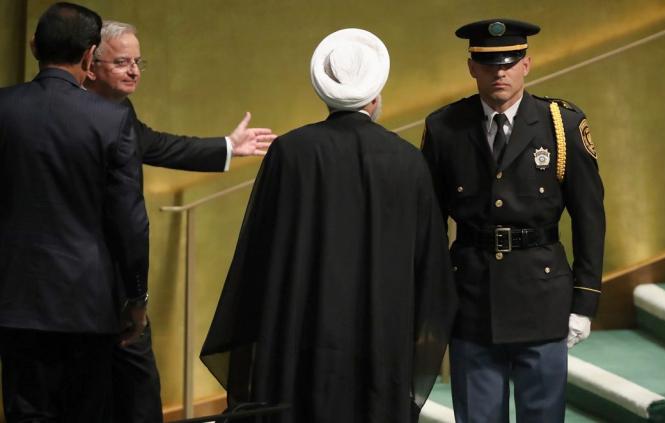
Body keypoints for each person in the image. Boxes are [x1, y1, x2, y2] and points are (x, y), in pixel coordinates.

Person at [201, 28, 457, 423]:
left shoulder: (290, 152)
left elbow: (259, 251)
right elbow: (429, 264)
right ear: (375, 96)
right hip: (380, 338)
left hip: (299, 335)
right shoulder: (407, 160)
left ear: (324, 93)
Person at [83, 20, 277, 423]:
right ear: (91, 64)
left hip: (119, 283)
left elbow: (154, 143)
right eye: (122, 62)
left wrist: (227, 147)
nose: (134, 71)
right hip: (81, 279)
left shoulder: (119, 110)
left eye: (138, 62)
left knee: (139, 394)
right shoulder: (73, 115)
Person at [421, 19, 605, 422]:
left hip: (542, 297)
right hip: (472, 299)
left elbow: (589, 216)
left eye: (509, 62)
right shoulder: (445, 128)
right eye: (488, 64)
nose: (499, 72)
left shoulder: (561, 125)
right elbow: (429, 223)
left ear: (526, 65)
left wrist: (585, 300)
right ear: (472, 67)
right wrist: (432, 299)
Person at [0, 3, 149, 422]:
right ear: (89, 55)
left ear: (34, 46)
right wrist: (136, 296)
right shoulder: (112, 119)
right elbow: (130, 220)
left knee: (25, 410)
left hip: (13, 296)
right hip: (88, 300)